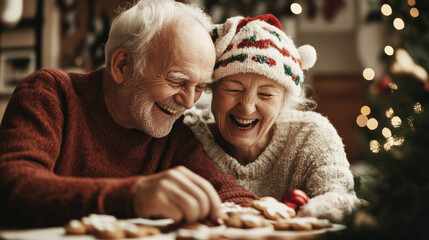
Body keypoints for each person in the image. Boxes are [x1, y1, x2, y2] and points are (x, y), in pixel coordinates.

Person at [0, 0, 258, 228]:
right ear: (122, 64)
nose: (189, 102)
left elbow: (231, 195)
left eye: (200, 87)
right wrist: (134, 197)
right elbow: (13, 187)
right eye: (177, 80)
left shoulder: (173, 130)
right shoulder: (51, 93)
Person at [185, 14, 361, 222]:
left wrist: (328, 205)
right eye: (233, 89)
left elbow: (341, 197)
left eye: (266, 94)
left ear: (283, 103)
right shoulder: (185, 134)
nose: (247, 107)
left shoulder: (312, 135)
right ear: (212, 89)